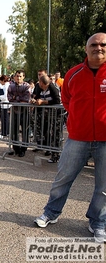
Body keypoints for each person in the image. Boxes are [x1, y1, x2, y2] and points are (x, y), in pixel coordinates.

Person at [34, 33, 106, 242]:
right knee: (63, 179)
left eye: (103, 45)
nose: (98, 48)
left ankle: (98, 222)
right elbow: (66, 100)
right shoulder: (73, 74)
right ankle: (51, 213)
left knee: (103, 187)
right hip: (78, 138)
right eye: (94, 44)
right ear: (86, 49)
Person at [31, 75, 61, 163]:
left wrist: (44, 102)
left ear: (42, 83)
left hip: (55, 115)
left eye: (39, 82)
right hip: (45, 115)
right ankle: (47, 149)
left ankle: (55, 155)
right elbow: (36, 96)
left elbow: (57, 101)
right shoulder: (39, 88)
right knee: (45, 132)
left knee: (54, 134)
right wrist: (34, 100)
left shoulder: (53, 87)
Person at [7, 70, 31, 157]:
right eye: (17, 76)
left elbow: (26, 98)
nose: (18, 78)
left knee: (25, 131)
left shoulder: (27, 86)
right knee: (14, 131)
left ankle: (23, 149)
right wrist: (18, 99)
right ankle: (16, 148)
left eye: (20, 76)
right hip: (14, 111)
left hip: (24, 111)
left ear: (23, 77)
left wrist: (15, 98)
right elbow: (9, 98)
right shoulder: (11, 86)